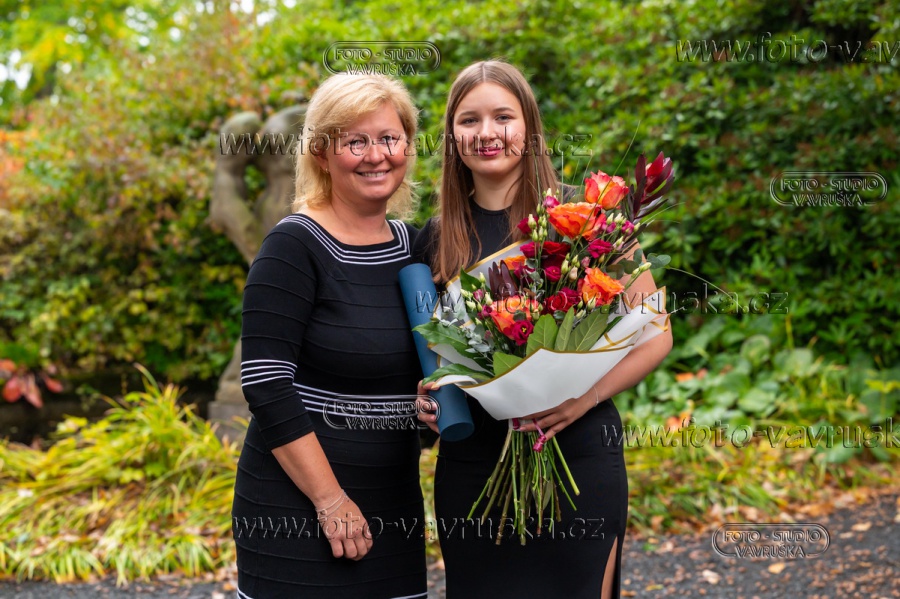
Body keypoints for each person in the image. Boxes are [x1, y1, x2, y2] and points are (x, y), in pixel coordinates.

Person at [413, 60, 673, 599]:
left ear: (529, 127)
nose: (486, 133)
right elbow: (432, 360)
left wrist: (582, 399)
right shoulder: (434, 240)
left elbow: (656, 333)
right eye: (469, 120)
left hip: (579, 451)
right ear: (452, 135)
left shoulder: (587, 217)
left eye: (503, 117)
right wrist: (426, 400)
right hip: (474, 469)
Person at [232, 72, 427, 599]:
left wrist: (433, 407)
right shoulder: (293, 247)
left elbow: (428, 367)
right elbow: (266, 383)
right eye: (354, 141)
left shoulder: (416, 248)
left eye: (388, 138)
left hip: (394, 505)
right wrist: (331, 501)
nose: (375, 155)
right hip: (298, 510)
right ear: (320, 153)